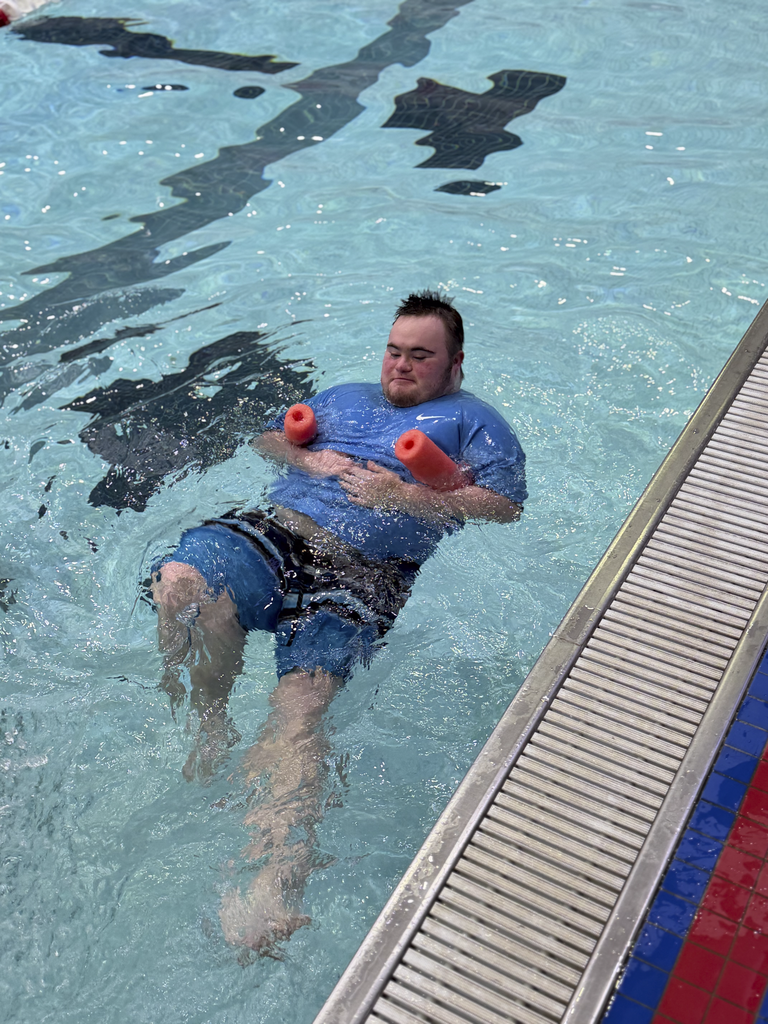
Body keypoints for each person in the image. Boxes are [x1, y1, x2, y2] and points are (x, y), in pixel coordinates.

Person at [150, 290, 527, 955]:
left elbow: (502, 506)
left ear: (455, 363)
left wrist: (406, 494)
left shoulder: (477, 425)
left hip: (362, 570)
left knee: (298, 711)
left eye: (419, 356)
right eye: (393, 350)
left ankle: (275, 882)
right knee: (179, 584)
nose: (400, 366)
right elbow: (267, 437)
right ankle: (210, 721)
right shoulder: (345, 396)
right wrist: (307, 458)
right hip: (274, 534)